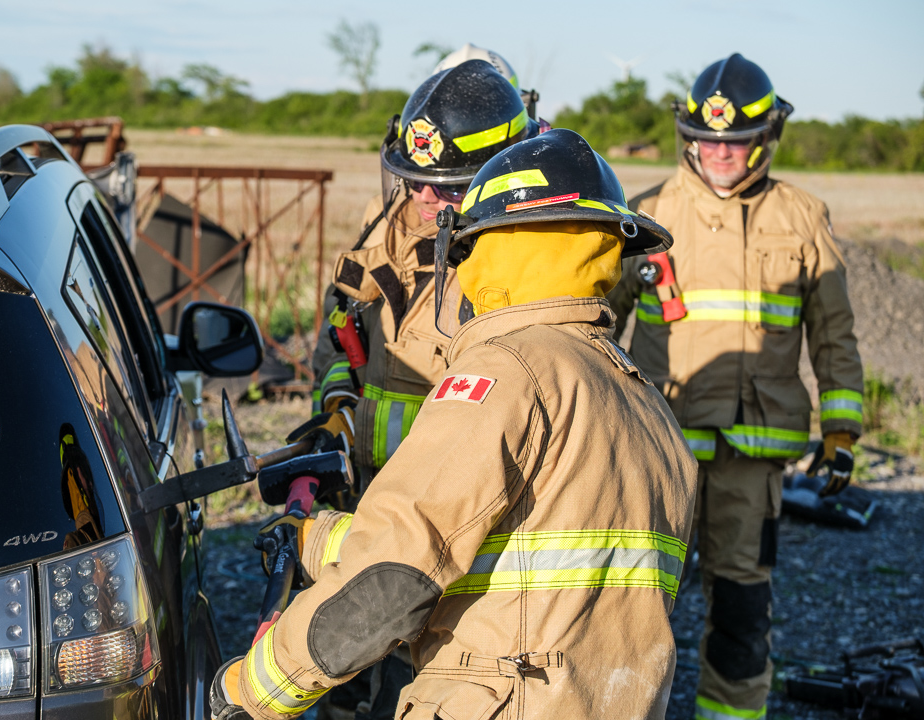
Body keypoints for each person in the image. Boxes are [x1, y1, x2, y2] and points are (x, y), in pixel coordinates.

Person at [210, 129, 699, 720]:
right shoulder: (644, 403)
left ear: (494, 247)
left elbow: (396, 571)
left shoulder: (508, 372)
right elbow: (515, 555)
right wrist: (315, 540)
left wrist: (252, 690)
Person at [607, 53, 864, 720]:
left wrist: (841, 430)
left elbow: (833, 332)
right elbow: (594, 326)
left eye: (736, 141)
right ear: (688, 137)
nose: (720, 154)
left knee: (744, 613)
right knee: (633, 608)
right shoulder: (647, 213)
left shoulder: (803, 216)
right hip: (659, 449)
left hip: (752, 459)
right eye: (707, 140)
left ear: (766, 138)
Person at [297, 58, 540, 497]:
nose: (424, 197)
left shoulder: (523, 255)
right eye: (413, 178)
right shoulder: (384, 222)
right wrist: (339, 405)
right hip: (361, 485)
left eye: (448, 185)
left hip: (450, 496)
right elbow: (336, 328)